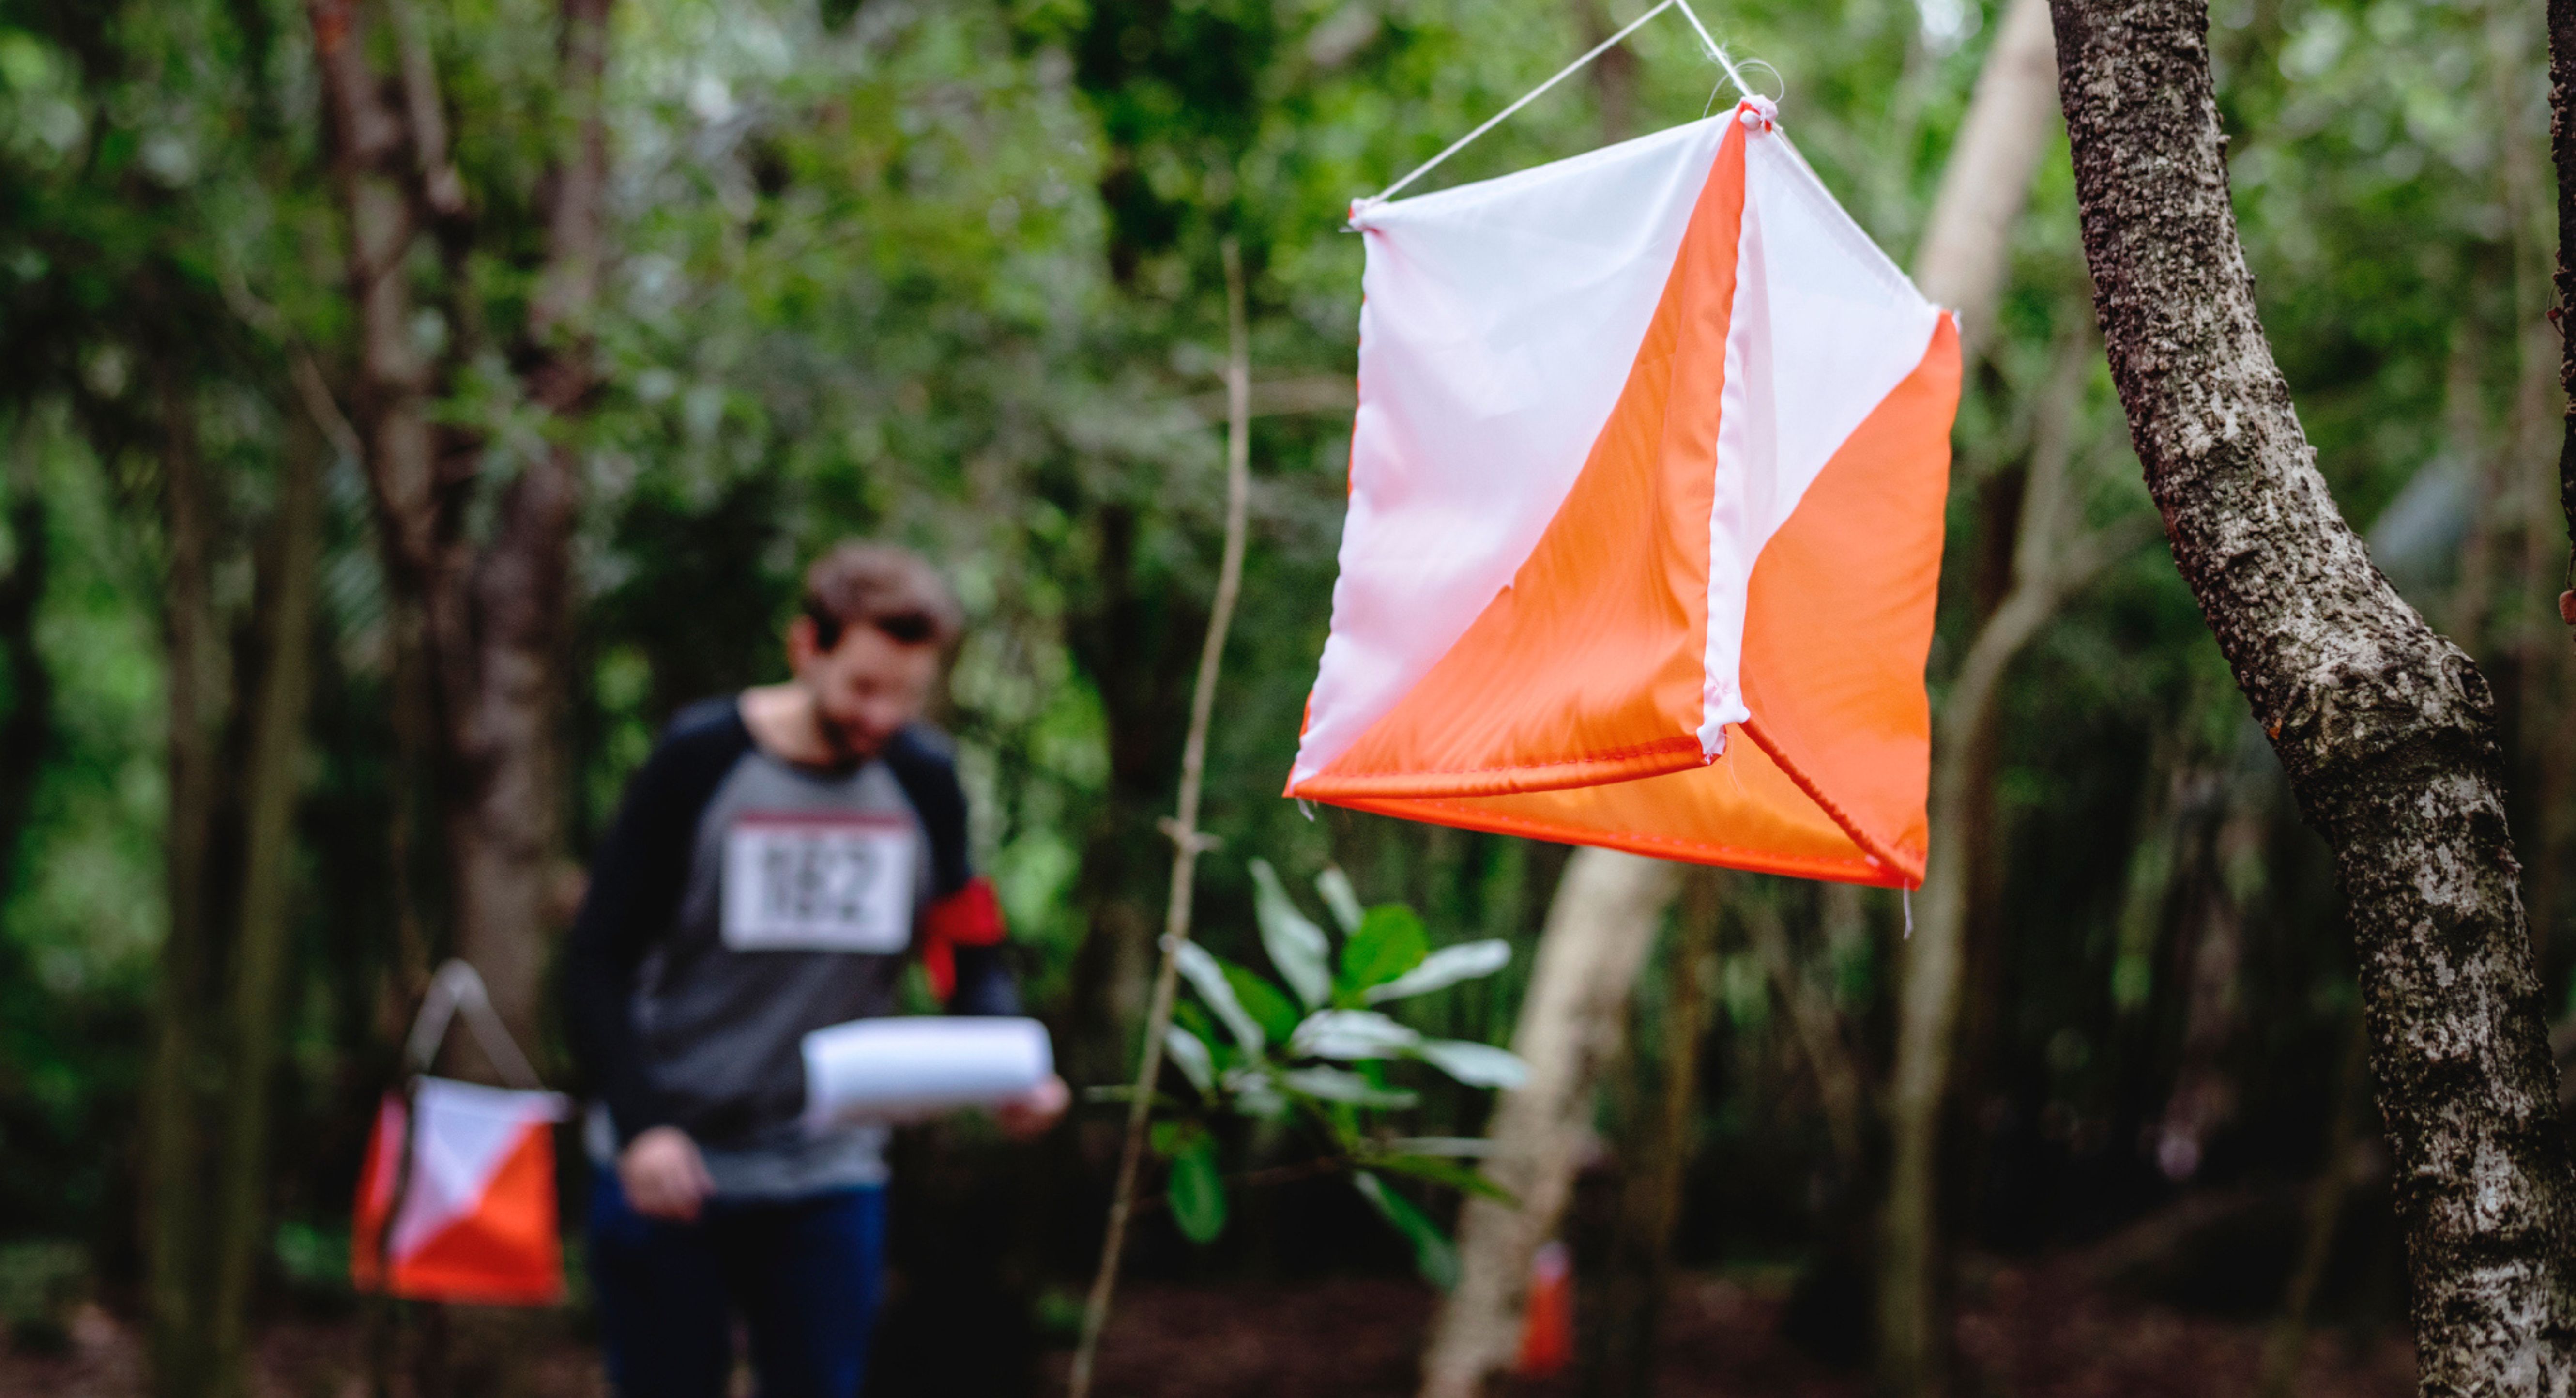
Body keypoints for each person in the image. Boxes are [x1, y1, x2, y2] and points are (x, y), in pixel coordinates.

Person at [564, 541, 1068, 1398]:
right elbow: (594, 961)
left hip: (828, 1171)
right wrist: (643, 1125)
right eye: (863, 688)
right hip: (672, 1163)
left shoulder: (926, 779)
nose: (882, 716)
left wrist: (1012, 1060)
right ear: (808, 650)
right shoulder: (700, 760)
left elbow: (967, 948)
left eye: (906, 695)